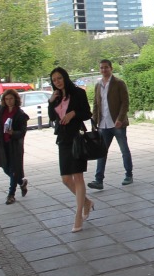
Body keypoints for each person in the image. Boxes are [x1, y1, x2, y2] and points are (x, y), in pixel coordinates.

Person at [48, 67, 93, 232]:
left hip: (76, 138)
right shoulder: (56, 96)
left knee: (78, 177)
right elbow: (52, 117)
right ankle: (86, 202)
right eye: (54, 80)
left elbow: (87, 113)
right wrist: (51, 102)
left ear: (65, 77)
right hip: (63, 139)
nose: (57, 82)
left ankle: (78, 215)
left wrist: (73, 113)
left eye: (59, 78)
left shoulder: (78, 93)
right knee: (66, 179)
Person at [89, 59, 133, 189]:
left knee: (124, 150)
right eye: (101, 68)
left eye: (106, 67)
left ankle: (129, 175)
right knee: (101, 152)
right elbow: (96, 105)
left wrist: (120, 119)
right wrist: (94, 122)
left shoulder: (119, 83)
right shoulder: (98, 85)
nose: (104, 70)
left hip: (117, 124)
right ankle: (99, 180)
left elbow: (125, 102)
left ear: (111, 68)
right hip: (103, 125)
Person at [0, 90, 29, 205]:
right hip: (2, 144)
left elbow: (22, 132)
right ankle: (21, 182)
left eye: (11, 99)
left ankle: (11, 195)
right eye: (6, 99)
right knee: (5, 167)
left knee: (14, 170)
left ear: (15, 99)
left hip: (14, 145)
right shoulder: (1, 109)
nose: (9, 101)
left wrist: (13, 133)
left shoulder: (20, 114)